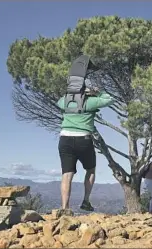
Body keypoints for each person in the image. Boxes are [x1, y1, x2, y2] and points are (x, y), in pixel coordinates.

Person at [57, 56, 115, 215]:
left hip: (65, 139)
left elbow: (58, 103)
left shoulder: (65, 101)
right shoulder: (91, 102)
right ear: (85, 89)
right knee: (90, 170)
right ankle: (86, 201)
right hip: (84, 139)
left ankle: (64, 208)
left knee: (66, 174)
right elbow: (110, 99)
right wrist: (97, 92)